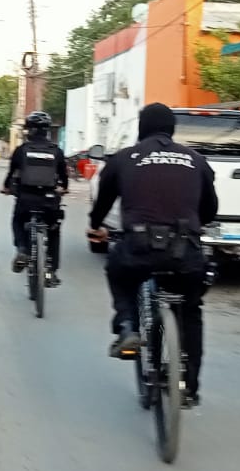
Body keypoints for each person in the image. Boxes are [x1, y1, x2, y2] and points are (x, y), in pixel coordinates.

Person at [87, 103, 218, 407]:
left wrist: (95, 226)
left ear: (141, 128)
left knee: (117, 271)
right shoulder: (196, 160)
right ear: (172, 129)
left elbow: (103, 202)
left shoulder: (124, 158)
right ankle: (189, 388)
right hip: (185, 251)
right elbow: (210, 210)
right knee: (191, 309)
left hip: (138, 247)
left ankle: (127, 326)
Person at [3, 111, 69, 286]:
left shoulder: (21, 150)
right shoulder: (56, 151)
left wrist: (7, 187)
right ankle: (51, 270)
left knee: (18, 221)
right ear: (47, 131)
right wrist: (64, 188)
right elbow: (64, 176)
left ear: (29, 130)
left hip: (26, 199)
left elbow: (11, 173)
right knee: (54, 230)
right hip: (49, 201)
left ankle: (22, 249)